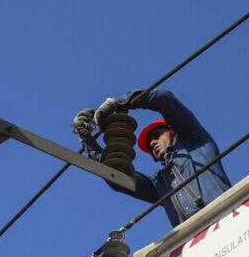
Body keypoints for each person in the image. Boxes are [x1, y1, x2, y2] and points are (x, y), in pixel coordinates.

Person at [74, 89, 232, 227]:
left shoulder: (198, 145)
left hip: (230, 219)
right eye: (150, 145)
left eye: (157, 136)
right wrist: (87, 140)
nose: (153, 143)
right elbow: (115, 175)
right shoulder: (159, 184)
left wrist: (118, 102)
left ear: (173, 133)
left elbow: (165, 99)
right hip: (195, 242)